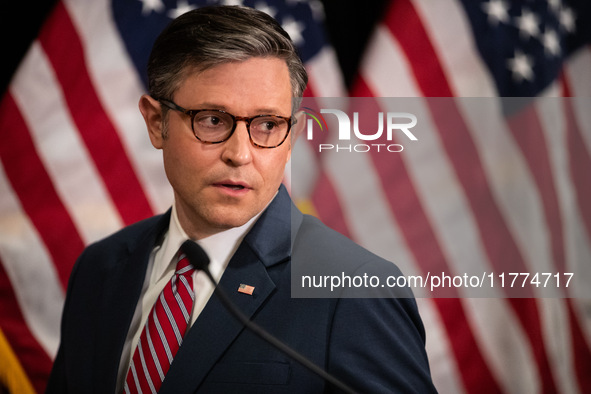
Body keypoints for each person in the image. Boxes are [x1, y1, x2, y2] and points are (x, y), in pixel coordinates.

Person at [46, 5, 437, 393]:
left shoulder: (355, 292)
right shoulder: (101, 269)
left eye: (267, 125)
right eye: (213, 120)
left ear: (292, 137)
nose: (240, 153)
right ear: (156, 122)